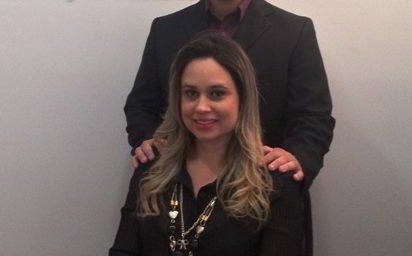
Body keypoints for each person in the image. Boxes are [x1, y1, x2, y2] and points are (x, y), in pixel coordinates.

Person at [124, 0, 335, 254]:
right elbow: (141, 105)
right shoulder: (166, 30)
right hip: (179, 195)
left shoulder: (294, 32)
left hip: (262, 202)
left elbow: (314, 116)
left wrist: (296, 161)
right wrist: (148, 143)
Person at [110, 34, 305, 256]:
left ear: (242, 99)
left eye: (217, 94)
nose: (201, 107)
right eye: (191, 93)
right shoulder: (152, 166)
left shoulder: (275, 182)